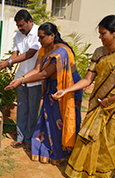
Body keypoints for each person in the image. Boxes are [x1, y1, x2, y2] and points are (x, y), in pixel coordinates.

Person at [5, 22, 83, 165]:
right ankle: (51, 149)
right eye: (38, 38)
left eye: (41, 38)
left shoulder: (62, 52)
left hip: (68, 86)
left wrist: (21, 81)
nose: (39, 41)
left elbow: (44, 74)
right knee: (50, 119)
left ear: (52, 36)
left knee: (64, 119)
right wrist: (20, 79)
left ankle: (65, 153)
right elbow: (37, 70)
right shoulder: (44, 49)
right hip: (52, 86)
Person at [52, 15, 115, 178]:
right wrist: (66, 90)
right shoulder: (98, 52)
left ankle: (101, 175)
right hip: (97, 102)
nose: (100, 37)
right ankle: (83, 170)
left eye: (103, 33)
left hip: (113, 105)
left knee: (108, 142)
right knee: (89, 137)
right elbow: (88, 79)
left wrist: (110, 100)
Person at [0, 9, 42, 151]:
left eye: (22, 25)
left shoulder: (38, 33)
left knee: (33, 110)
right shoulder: (18, 35)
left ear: (30, 22)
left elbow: (30, 54)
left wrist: (7, 62)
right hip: (20, 77)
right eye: (18, 26)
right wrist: (5, 62)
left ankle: (29, 139)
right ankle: (20, 138)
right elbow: (15, 54)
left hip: (34, 78)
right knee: (22, 108)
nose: (20, 28)